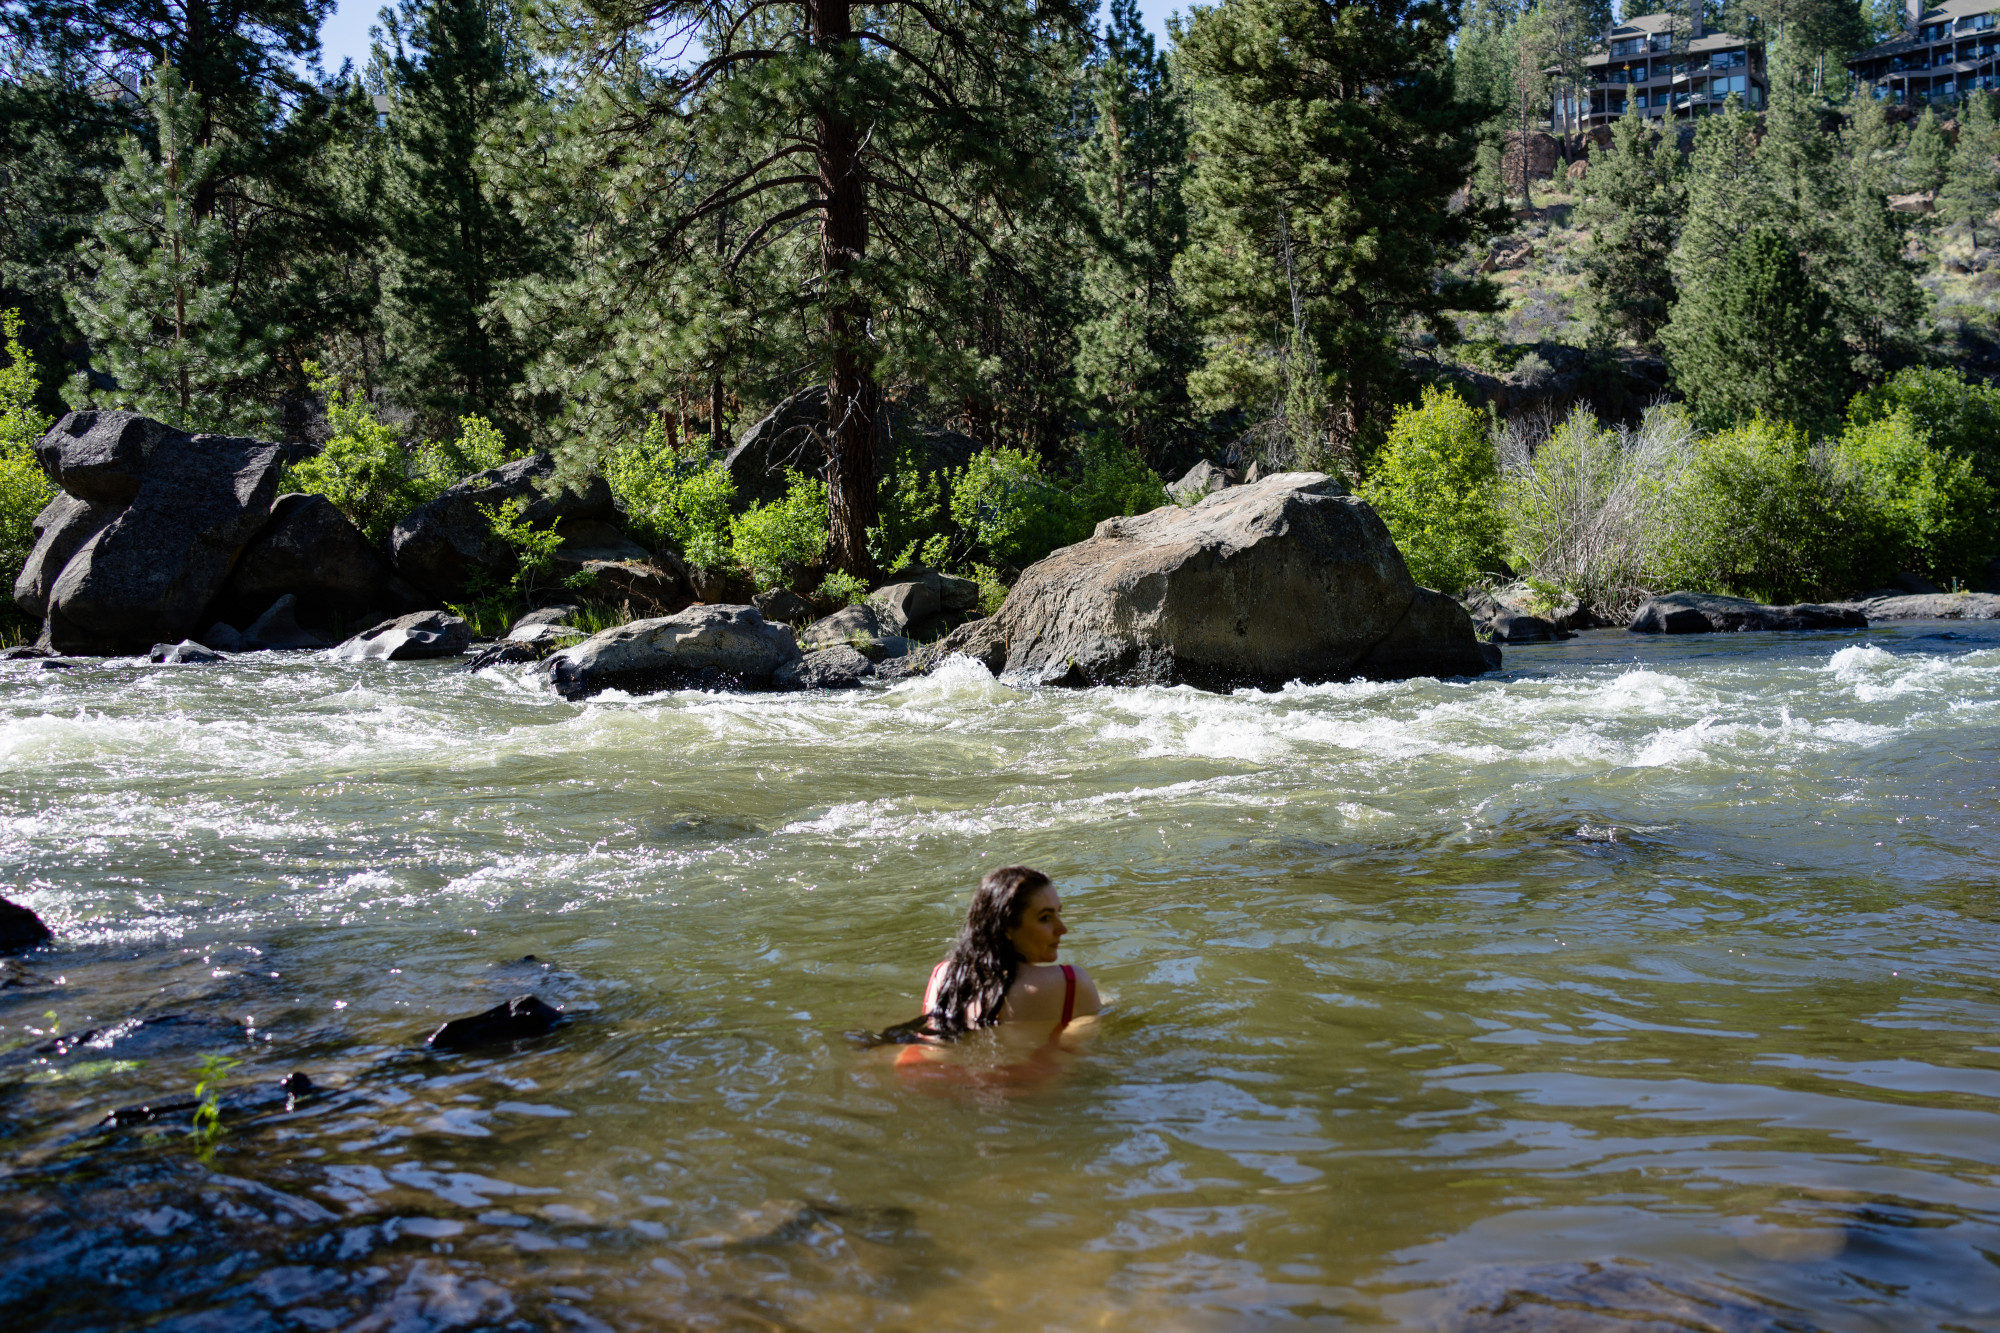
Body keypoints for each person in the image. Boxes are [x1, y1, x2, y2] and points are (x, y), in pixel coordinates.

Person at [871, 866, 1102, 1059]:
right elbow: (1079, 1053)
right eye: (1045, 918)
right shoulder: (1071, 983)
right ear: (1007, 928)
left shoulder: (944, 975)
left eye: (1059, 914)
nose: (1062, 929)